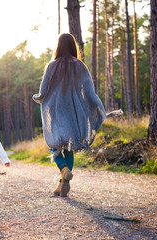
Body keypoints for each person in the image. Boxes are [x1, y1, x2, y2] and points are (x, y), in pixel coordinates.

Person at [33, 33, 106, 197]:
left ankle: (64, 170)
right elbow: (88, 90)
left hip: (56, 111)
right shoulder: (80, 66)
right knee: (69, 147)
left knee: (54, 145)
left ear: (58, 46)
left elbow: (43, 91)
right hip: (73, 112)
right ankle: (63, 183)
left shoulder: (52, 66)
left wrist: (37, 98)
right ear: (73, 46)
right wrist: (96, 107)